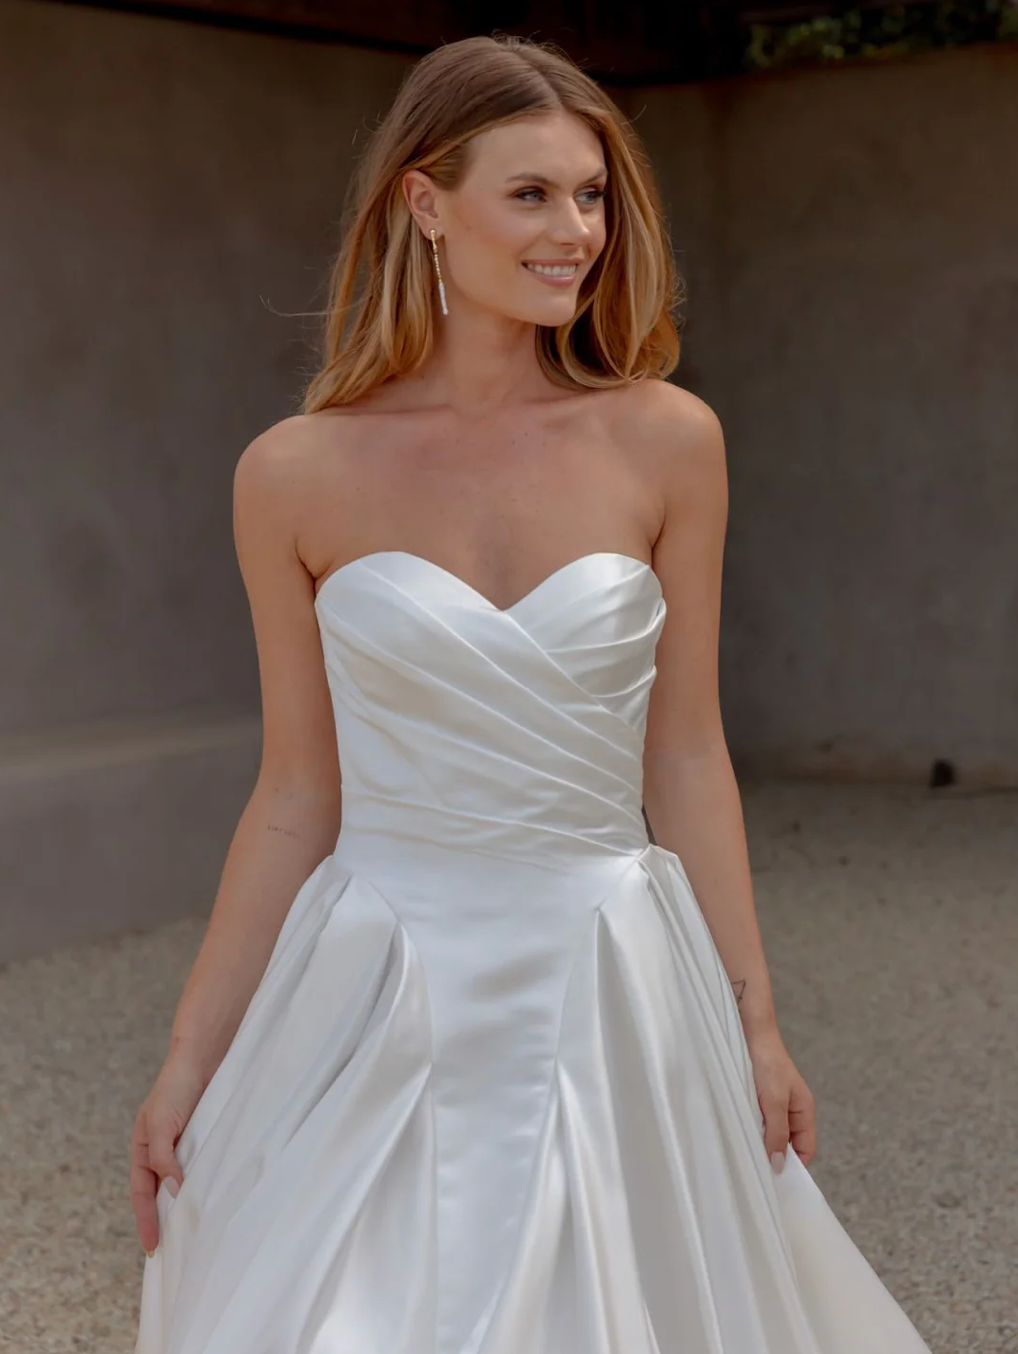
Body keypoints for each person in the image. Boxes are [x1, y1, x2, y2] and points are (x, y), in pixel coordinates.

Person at [130, 33, 933, 1354]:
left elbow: (683, 758)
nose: (576, 231)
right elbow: (295, 790)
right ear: (422, 202)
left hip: (611, 970)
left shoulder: (669, 439)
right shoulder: (291, 473)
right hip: (374, 980)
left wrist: (759, 1023)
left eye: (593, 195)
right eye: (532, 194)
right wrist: (188, 1055)